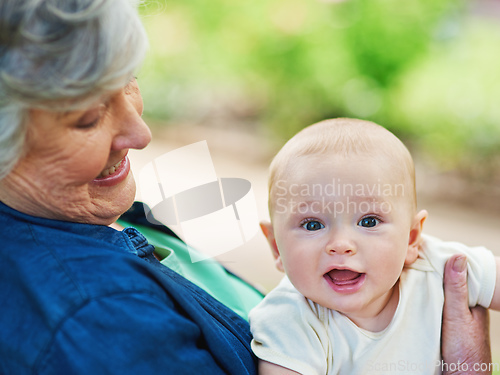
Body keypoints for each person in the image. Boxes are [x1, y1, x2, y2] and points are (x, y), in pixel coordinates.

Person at [0, 0, 492, 374]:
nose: (140, 134)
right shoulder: (96, 320)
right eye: (88, 119)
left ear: (412, 237)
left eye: (129, 81)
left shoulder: (86, 208)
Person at [249, 118, 500, 374]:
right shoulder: (290, 320)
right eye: (313, 225)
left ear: (412, 238)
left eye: (369, 221)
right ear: (277, 247)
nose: (341, 245)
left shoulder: (439, 266)